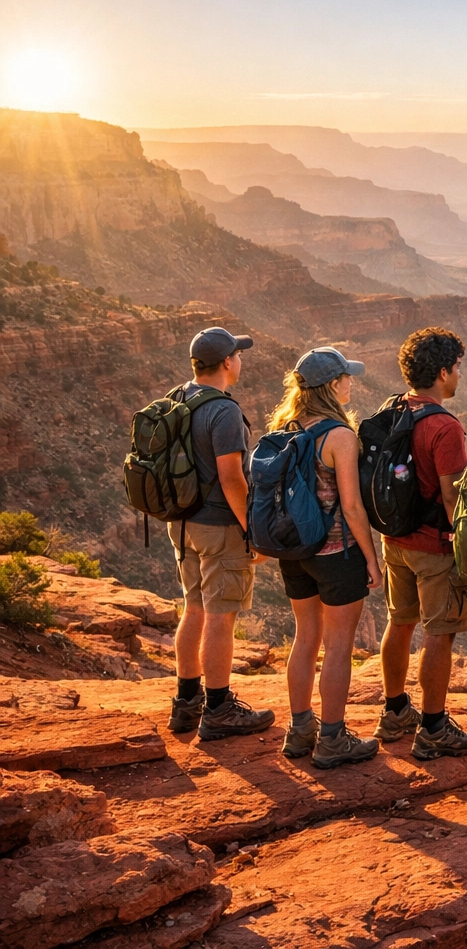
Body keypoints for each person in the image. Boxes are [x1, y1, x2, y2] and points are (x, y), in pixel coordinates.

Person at [372, 328, 467, 760]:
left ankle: (395, 709)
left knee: (399, 622)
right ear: (442, 372)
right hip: (434, 546)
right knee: (440, 634)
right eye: (457, 368)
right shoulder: (443, 426)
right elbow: (453, 494)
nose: (459, 375)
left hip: (394, 539)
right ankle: (434, 728)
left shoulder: (395, 409)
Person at [268, 347, 382, 769]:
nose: (351, 382)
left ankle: (300, 730)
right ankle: (333, 737)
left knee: (306, 636)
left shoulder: (286, 425)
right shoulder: (339, 435)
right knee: (338, 646)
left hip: (294, 551)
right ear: (332, 386)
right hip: (336, 552)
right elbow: (352, 507)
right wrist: (371, 558)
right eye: (346, 377)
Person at [167, 327, 275, 741]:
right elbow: (232, 478)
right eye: (238, 355)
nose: (241, 361)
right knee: (220, 616)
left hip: (182, 523)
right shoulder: (224, 410)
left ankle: (186, 702)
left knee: (193, 609)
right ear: (227, 362)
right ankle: (219, 709)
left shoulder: (179, 397)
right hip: (218, 526)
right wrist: (253, 531)